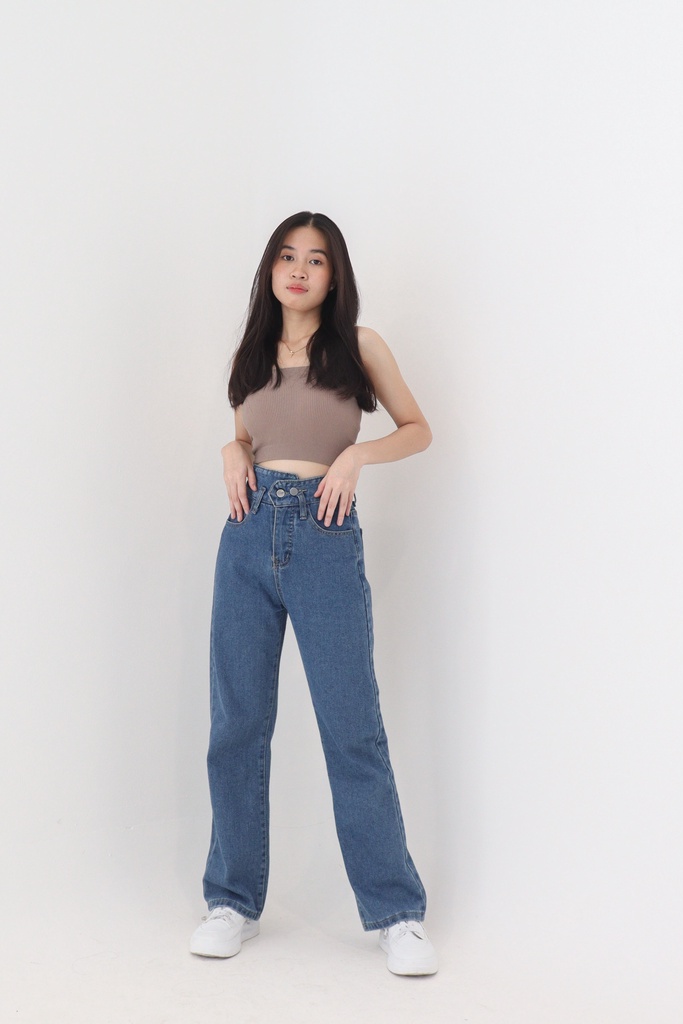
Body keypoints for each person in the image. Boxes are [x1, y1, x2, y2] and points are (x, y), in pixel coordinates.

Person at [189, 211, 438, 976]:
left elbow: (418, 428)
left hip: (325, 538)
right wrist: (230, 449)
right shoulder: (252, 352)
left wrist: (356, 457)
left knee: (351, 728)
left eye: (317, 259)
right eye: (287, 256)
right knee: (237, 726)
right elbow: (248, 434)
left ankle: (396, 914)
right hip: (245, 536)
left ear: (335, 276)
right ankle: (231, 901)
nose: (299, 269)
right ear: (270, 269)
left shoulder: (359, 346)